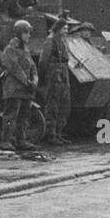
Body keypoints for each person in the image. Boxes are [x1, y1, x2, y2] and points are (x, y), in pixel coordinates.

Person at [0, 19, 39, 152]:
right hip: (14, 88)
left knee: (24, 116)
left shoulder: (25, 49)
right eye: (26, 33)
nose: (28, 36)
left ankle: (21, 139)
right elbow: (14, 67)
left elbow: (33, 66)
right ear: (18, 34)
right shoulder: (10, 49)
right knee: (11, 115)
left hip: (26, 89)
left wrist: (34, 80)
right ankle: (5, 141)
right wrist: (27, 82)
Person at [39, 11, 73, 145]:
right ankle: (51, 133)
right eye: (64, 28)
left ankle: (58, 133)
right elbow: (43, 61)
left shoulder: (62, 40)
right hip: (54, 74)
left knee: (64, 105)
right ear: (58, 29)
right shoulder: (51, 40)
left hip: (63, 73)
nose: (66, 30)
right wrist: (44, 76)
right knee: (53, 105)